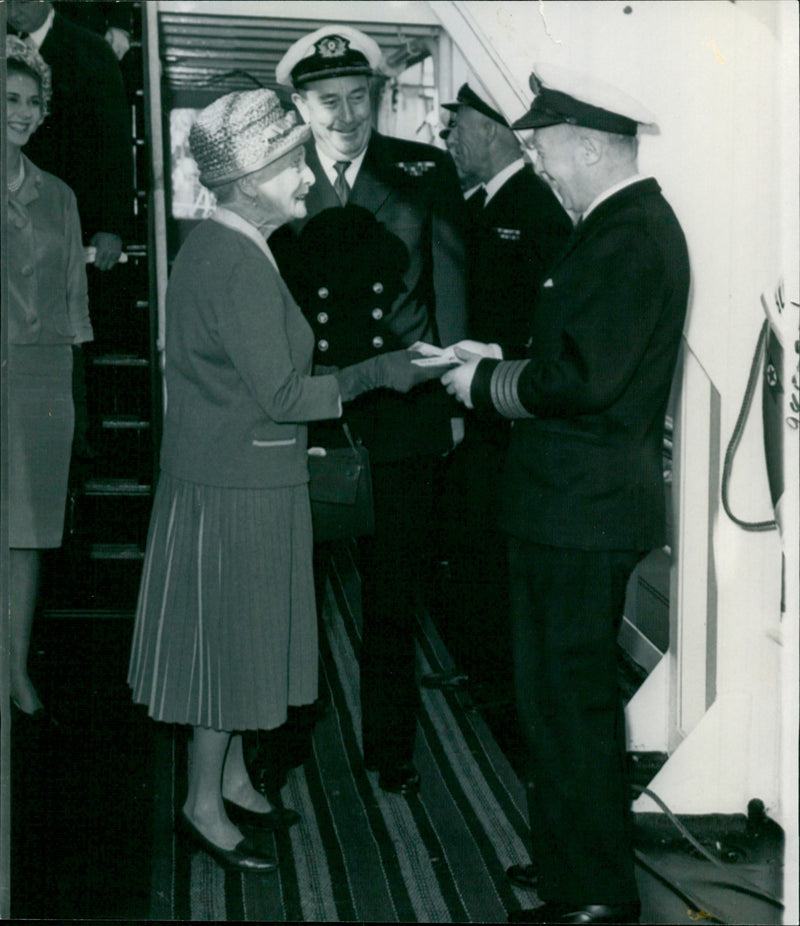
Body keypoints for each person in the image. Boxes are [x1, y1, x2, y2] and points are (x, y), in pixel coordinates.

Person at [126, 88, 439, 873]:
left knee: (240, 642)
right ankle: (202, 805)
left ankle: (232, 779)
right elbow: (284, 396)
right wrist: (383, 370)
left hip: (241, 472)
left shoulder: (229, 243)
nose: (306, 178)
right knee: (227, 651)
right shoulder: (234, 258)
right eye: (292, 164)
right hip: (237, 484)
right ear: (245, 181)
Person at [442, 64, 690, 924]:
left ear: (587, 146)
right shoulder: (615, 227)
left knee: (570, 700)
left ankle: (594, 894)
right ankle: (569, 866)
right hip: (567, 505)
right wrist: (497, 357)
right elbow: (579, 352)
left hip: (580, 510)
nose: (540, 166)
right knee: (554, 695)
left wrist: (484, 384)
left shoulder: (629, 236)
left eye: (545, 150)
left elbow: (583, 379)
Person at [270, 25, 468, 796]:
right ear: (301, 105)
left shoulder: (423, 171)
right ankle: (287, 734)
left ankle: (391, 747)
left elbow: (449, 285)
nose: (347, 115)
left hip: (403, 406)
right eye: (329, 101)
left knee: (394, 593)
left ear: (378, 98)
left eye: (359, 97)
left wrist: (453, 392)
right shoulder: (276, 175)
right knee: (296, 585)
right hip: (311, 405)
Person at [424, 84, 571, 705]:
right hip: (478, 403)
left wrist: (499, 358)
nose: (450, 138)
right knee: (473, 540)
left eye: (458, 125)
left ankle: (500, 683)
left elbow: (549, 321)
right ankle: (482, 669)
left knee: (495, 546)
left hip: (511, 409)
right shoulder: (480, 202)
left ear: (491, 129)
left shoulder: (536, 206)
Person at [6, 36, 93, 723]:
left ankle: (14, 668)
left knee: (29, 533)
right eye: (10, 99)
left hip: (42, 379)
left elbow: (74, 305)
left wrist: (73, 402)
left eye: (33, 102)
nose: (23, 112)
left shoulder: (59, 195)